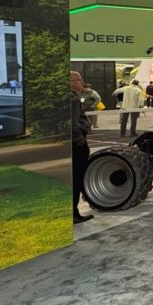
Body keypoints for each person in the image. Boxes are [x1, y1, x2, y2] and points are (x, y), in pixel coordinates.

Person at [70, 71, 93, 224]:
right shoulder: (72, 99)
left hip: (74, 142)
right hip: (77, 143)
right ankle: (74, 213)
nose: (82, 83)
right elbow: (72, 123)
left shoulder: (74, 97)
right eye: (79, 80)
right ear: (71, 82)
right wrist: (80, 140)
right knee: (76, 178)